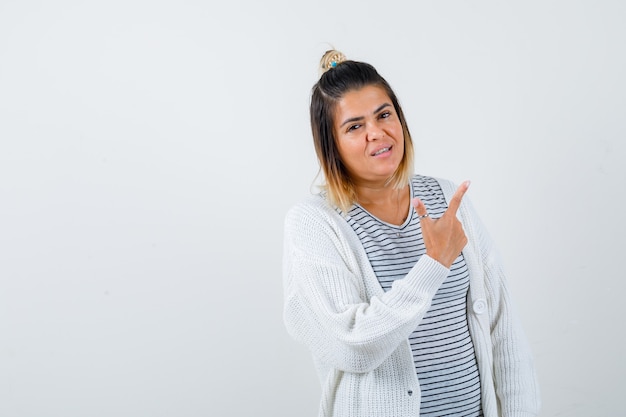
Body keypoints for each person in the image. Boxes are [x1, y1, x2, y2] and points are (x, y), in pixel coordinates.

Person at [282, 49, 540, 417]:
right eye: (354, 126)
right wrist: (433, 264)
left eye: (384, 115)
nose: (377, 133)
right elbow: (353, 346)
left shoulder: (448, 198)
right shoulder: (314, 224)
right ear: (331, 145)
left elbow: (503, 330)